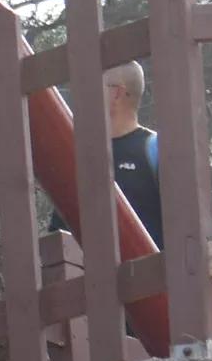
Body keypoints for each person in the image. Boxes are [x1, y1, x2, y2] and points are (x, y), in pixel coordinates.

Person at [52, 61, 164, 248]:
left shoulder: (156, 148)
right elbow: (59, 236)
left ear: (116, 93)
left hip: (155, 275)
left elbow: (185, 224)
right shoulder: (79, 157)